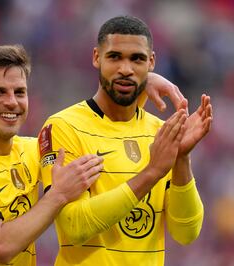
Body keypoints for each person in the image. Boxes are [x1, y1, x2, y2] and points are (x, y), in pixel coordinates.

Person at [0, 44, 187, 265]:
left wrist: (135, 83)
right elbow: (0, 245)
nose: (11, 102)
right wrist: (58, 195)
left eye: (19, 92)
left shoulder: (30, 150)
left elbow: (83, 121)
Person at [38, 15, 213, 266]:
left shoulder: (160, 133)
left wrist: (181, 159)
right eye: (115, 57)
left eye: (137, 59)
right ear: (97, 57)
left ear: (151, 62)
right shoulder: (64, 127)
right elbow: (73, 226)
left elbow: (186, 233)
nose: (125, 69)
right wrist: (152, 172)